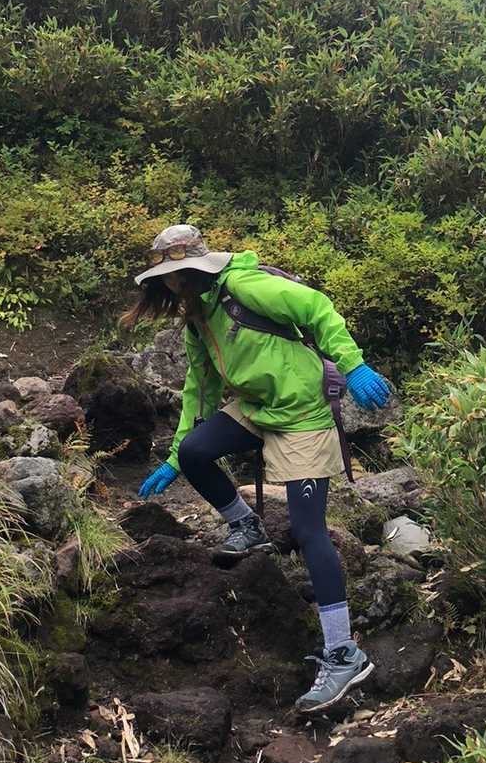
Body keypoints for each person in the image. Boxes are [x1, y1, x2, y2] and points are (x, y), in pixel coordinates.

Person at [122, 224, 392, 712]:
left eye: (180, 272)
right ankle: (246, 527)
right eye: (168, 276)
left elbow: (316, 307)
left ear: (198, 267)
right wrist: (175, 457)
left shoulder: (244, 286)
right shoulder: (198, 317)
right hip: (257, 407)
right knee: (197, 451)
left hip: (302, 413)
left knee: (309, 532)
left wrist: (353, 364)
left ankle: (344, 652)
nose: (175, 282)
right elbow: (200, 390)